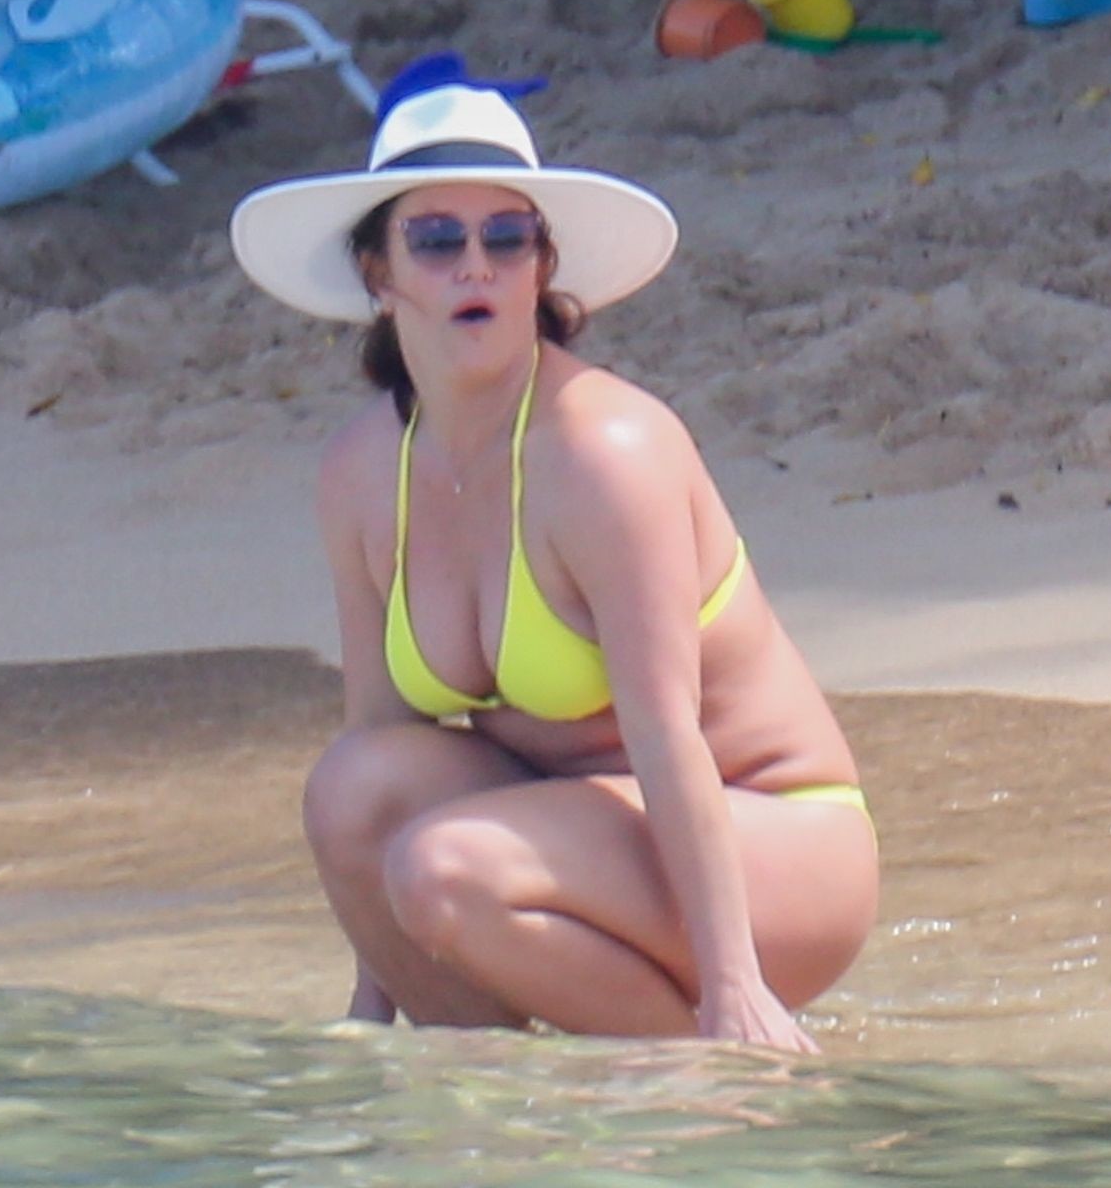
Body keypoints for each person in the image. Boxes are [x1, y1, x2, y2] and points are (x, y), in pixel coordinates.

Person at [229, 56, 877, 1052]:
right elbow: (380, 748)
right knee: (349, 787)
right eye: (436, 239)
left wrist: (734, 984)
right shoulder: (361, 472)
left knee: (443, 868)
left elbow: (666, 732)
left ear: (542, 266)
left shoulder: (601, 452)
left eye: (507, 237)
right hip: (565, 837)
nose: (476, 266)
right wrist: (374, 1007)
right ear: (379, 274)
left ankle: (725, 1066)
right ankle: (502, 1089)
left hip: (767, 840)